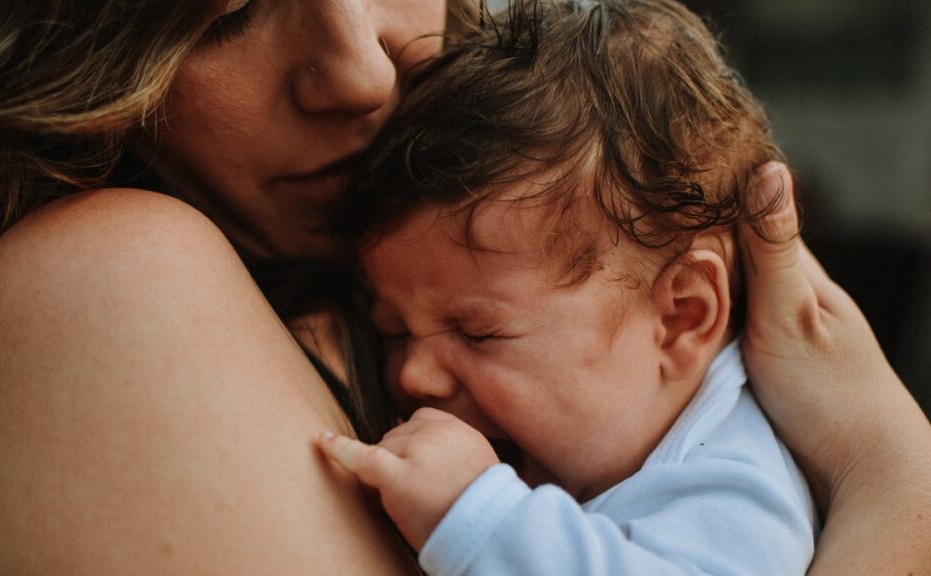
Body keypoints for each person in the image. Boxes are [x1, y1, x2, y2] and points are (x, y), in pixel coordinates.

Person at [0, 0, 927, 574]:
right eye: (228, 16)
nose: (356, 73)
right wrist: (895, 479)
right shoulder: (106, 289)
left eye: (479, 334)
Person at [318, 2, 816, 573]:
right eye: (394, 330)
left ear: (681, 317)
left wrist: (480, 519)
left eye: (479, 332)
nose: (412, 374)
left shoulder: (733, 487)